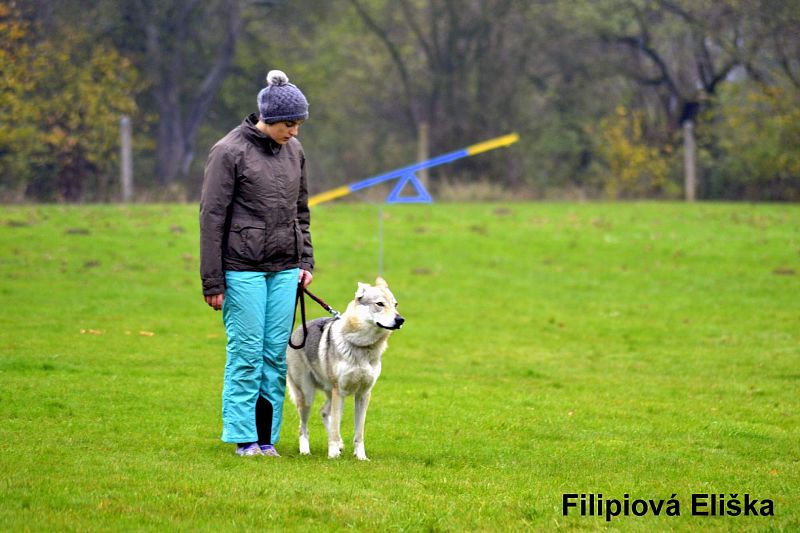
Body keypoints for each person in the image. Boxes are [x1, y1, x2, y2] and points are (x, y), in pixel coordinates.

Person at [200, 70, 314, 457]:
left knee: (273, 356)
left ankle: (266, 441)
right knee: (246, 354)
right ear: (267, 117)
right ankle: (243, 438)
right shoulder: (228, 151)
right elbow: (211, 217)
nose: (294, 132)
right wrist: (212, 281)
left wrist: (305, 261)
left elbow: (301, 211)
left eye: (298, 124)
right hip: (241, 268)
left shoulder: (295, 153)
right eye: (288, 124)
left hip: (284, 268)